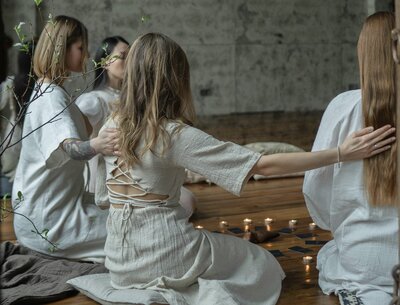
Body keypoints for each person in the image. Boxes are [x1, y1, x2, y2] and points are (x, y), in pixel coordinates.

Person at [99, 32, 395, 305]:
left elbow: (101, 188)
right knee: (261, 264)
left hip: (118, 261)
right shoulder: (173, 135)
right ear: (175, 78)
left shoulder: (111, 125)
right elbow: (262, 164)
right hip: (165, 253)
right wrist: (342, 152)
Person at [303, 12, 397, 305]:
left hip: (362, 261)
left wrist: (334, 221)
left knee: (330, 254)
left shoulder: (343, 106)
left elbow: (314, 188)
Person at [11, 15, 118, 263]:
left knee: (129, 216)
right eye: (81, 47)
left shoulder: (53, 91)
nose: (86, 53)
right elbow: (71, 149)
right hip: (49, 222)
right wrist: (99, 144)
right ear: (62, 49)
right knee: (133, 231)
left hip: (55, 210)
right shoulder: (50, 97)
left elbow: (84, 123)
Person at [76, 36, 196, 216]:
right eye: (123, 56)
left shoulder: (135, 97)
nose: (130, 61)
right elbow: (75, 136)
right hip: (112, 172)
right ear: (105, 62)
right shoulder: (94, 100)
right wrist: (97, 143)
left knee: (187, 200)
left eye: (132, 56)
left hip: (142, 166)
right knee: (183, 202)